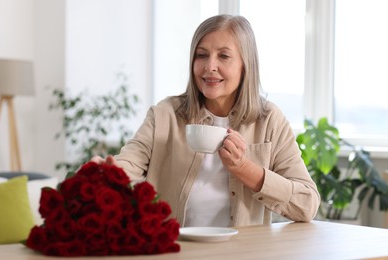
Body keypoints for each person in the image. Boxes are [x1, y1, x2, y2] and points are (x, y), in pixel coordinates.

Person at [92, 14, 320, 227]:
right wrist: (109, 172)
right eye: (201, 55)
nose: (209, 66)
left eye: (224, 56)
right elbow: (129, 163)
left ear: (245, 65)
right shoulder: (165, 114)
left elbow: (307, 204)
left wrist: (244, 168)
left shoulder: (270, 120)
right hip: (176, 251)